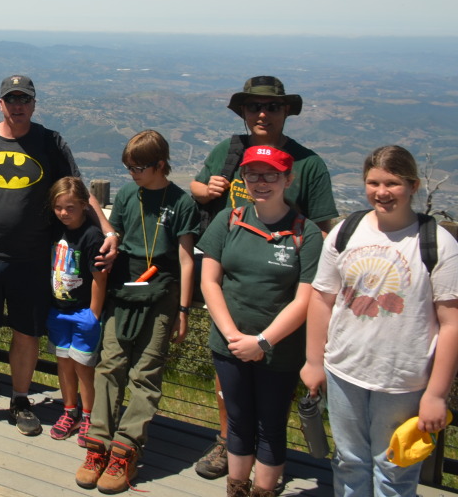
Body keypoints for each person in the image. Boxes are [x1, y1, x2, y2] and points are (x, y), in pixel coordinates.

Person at [0, 74, 113, 438]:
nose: (17, 106)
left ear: (33, 105)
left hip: (34, 259)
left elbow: (80, 193)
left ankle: (20, 400)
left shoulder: (49, 143)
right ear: (0, 103)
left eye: (24, 100)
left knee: (26, 333)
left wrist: (109, 231)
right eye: (11, 99)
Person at [189, 75, 339, 479]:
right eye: (253, 106)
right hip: (233, 287)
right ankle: (228, 444)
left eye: (272, 106)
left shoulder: (307, 164)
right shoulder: (229, 150)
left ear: (286, 111)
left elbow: (327, 226)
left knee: (271, 405)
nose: (262, 113)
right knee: (232, 391)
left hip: (284, 301)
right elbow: (198, 187)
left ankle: (262, 467)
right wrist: (204, 189)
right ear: (243, 111)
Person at [301, 146, 458, 497]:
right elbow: (321, 298)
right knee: (348, 461)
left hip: (404, 380)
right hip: (343, 371)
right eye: (373, 183)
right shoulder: (347, 232)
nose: (382, 192)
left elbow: (452, 324)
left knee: (396, 470)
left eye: (393, 183)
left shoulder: (437, 244)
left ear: (413, 186)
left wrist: (436, 394)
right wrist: (314, 361)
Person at [75, 130, 197, 493]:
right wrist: (110, 248)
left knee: (145, 373)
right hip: (124, 289)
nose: (132, 174)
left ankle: (126, 450)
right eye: (128, 167)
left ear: (160, 164)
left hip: (161, 295)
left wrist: (184, 309)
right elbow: (118, 234)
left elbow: (186, 258)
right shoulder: (129, 194)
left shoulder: (181, 202)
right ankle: (98, 445)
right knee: (109, 365)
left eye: (138, 167)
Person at [199, 146, 323, 497]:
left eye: (271, 174)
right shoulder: (229, 221)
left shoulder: (306, 234)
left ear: (288, 179)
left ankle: (264, 491)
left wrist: (262, 342)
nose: (261, 182)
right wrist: (233, 337)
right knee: (237, 422)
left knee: (270, 425)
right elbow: (210, 281)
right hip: (229, 346)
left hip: (279, 351)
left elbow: (305, 299)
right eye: (252, 173)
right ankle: (237, 489)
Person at [46, 177, 106, 445]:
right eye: (58, 207)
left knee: (84, 367)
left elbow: (99, 278)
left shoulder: (91, 236)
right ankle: (70, 411)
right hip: (58, 310)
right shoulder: (54, 230)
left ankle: (89, 415)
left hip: (83, 313)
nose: (63, 213)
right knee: (64, 364)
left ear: (84, 205)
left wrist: (93, 314)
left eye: (70, 207)